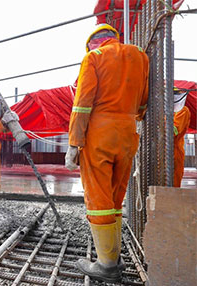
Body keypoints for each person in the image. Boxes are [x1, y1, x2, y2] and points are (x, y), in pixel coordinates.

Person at [65, 24, 148, 282]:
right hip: (127, 134)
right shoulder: (140, 57)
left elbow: (82, 105)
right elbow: (143, 101)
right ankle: (113, 255)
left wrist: (74, 143)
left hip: (99, 133)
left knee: (98, 198)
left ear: (93, 43)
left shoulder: (93, 58)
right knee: (115, 195)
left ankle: (106, 265)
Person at [173, 89, 190, 188]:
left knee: (173, 183)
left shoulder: (183, 111)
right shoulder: (162, 112)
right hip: (160, 152)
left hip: (174, 152)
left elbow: (174, 131)